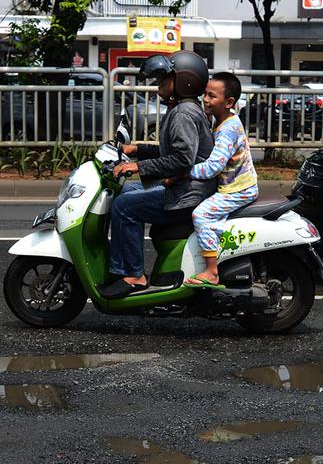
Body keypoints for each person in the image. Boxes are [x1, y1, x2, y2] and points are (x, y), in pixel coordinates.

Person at [102, 51, 216, 299]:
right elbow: (171, 152)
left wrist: (138, 167)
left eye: (164, 79)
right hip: (186, 188)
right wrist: (136, 150)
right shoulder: (185, 109)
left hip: (188, 195)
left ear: (184, 81)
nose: (158, 85)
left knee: (124, 206)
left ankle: (133, 275)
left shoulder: (183, 114)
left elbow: (182, 159)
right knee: (126, 191)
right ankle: (119, 264)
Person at [165, 72, 257, 288]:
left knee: (201, 215)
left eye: (212, 96)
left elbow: (212, 168)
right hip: (234, 185)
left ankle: (212, 271)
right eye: (205, 94)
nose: (205, 100)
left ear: (229, 102)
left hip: (238, 190)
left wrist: (182, 173)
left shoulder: (228, 130)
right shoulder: (222, 120)